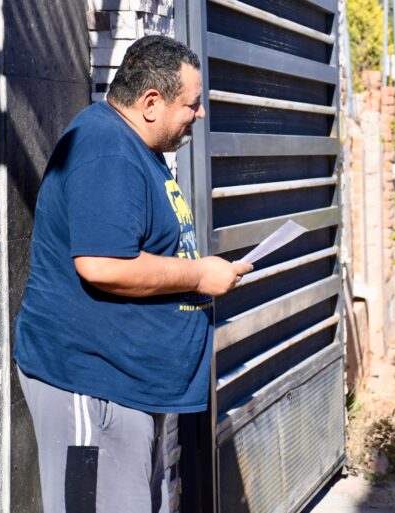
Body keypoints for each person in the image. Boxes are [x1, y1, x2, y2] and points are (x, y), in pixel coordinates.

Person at [14, 35, 253, 513]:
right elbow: (102, 264)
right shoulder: (107, 151)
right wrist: (198, 276)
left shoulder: (132, 145)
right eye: (192, 104)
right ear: (150, 103)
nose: (200, 114)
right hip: (94, 385)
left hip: (125, 387)